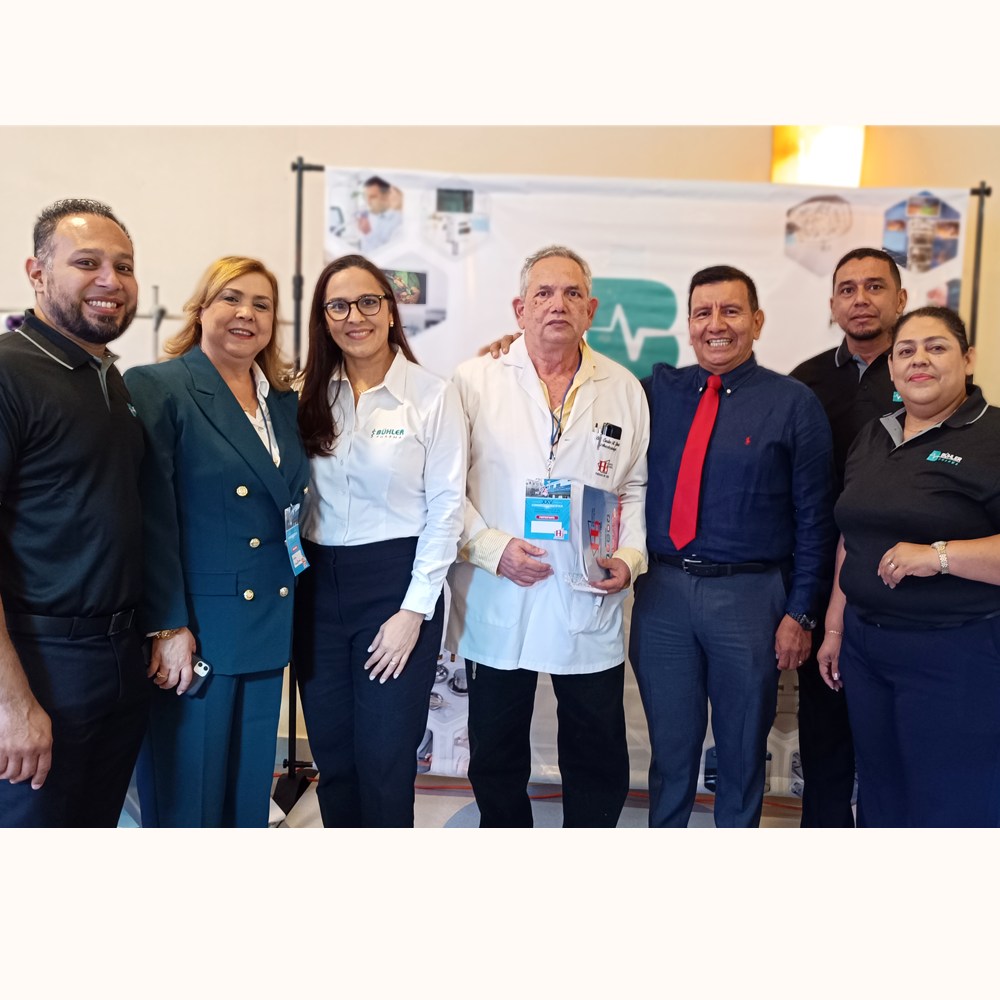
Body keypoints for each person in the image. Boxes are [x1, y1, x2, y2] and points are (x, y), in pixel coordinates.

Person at [447, 245, 650, 828]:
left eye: (571, 293)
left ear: (591, 309)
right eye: (543, 293)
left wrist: (630, 557)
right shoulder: (474, 380)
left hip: (586, 593)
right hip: (500, 590)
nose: (557, 304)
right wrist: (492, 550)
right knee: (496, 748)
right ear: (520, 309)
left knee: (595, 746)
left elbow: (635, 487)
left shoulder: (622, 387)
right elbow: (444, 487)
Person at [629, 264, 835, 827]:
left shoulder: (793, 403)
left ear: (757, 322)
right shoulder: (655, 393)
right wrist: (514, 352)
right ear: (688, 324)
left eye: (731, 311)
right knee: (670, 751)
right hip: (664, 595)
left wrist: (801, 612)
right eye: (703, 313)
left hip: (750, 598)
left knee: (742, 753)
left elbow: (815, 519)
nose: (716, 324)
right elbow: (582, 384)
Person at [124, 256, 309, 827]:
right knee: (190, 803)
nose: (246, 313)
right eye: (231, 298)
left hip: (268, 623)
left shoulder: (282, 402)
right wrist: (167, 626)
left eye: (261, 305)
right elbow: (149, 516)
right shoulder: (160, 387)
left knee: (245, 803)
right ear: (201, 309)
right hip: (198, 633)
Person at [293, 254, 466, 827]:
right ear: (324, 319)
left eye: (369, 301)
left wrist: (413, 611)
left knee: (385, 759)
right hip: (317, 590)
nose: (355, 316)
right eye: (338, 306)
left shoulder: (432, 395)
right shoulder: (305, 394)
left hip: (395, 586)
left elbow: (446, 509)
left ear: (391, 311)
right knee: (334, 757)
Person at [818, 306, 1000, 827]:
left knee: (953, 801)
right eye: (906, 351)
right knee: (881, 794)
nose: (919, 359)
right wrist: (835, 627)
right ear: (893, 370)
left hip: (955, 651)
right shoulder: (874, 436)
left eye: (936, 347)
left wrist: (939, 556)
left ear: (967, 359)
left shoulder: (993, 435)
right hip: (866, 649)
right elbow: (852, 537)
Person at [0, 197, 148, 827]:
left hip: (117, 660)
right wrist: (11, 704)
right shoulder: (9, 371)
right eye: (87, 263)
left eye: (124, 266)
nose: (110, 280)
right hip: (39, 663)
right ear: (37, 273)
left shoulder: (108, 379)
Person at [789, 247, 907, 828]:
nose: (861, 299)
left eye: (875, 287)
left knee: (896, 746)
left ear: (900, 300)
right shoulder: (805, 381)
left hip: (905, 584)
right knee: (826, 737)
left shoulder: (924, 376)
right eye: (848, 289)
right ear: (833, 303)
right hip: (820, 580)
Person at [357, 176, 403, 253]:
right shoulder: (370, 217)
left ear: (385, 197)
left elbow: (390, 254)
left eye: (372, 197)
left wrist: (368, 233)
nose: (368, 202)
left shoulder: (398, 221)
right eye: (366, 197)